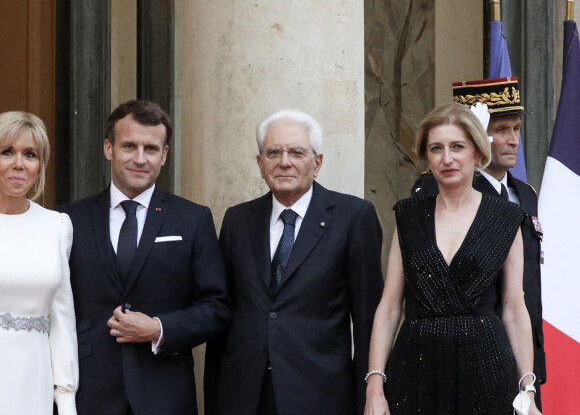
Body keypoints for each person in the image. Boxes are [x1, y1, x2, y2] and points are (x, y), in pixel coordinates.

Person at [204, 109, 384, 415]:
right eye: (273, 152)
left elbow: (368, 318)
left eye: (297, 152)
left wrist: (369, 394)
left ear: (317, 162)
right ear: (260, 163)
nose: (284, 161)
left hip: (321, 394)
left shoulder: (353, 217)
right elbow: (224, 314)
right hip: (245, 395)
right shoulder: (237, 220)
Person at [365, 103, 540, 415]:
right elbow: (390, 307)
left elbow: (514, 308)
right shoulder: (408, 217)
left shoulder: (507, 217)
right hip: (415, 367)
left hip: (487, 368)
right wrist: (375, 387)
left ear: (477, 151)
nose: (447, 158)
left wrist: (527, 388)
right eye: (436, 148)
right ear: (427, 157)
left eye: (457, 146)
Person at [59, 100, 230, 415]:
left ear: (164, 155)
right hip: (87, 393)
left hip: (164, 395)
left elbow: (216, 308)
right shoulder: (68, 221)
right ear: (109, 148)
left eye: (151, 149)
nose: (140, 159)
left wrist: (159, 328)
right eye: (129, 146)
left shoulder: (192, 219)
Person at [412, 77, 545, 407]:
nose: (513, 140)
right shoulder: (436, 190)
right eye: (501, 130)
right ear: (477, 137)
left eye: (516, 128)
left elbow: (526, 284)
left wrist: (532, 365)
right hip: (468, 352)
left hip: (519, 348)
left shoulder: (524, 195)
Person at [0, 111, 78, 414]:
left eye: (29, 154)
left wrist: (66, 396)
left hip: (35, 377)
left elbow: (62, 316)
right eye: (7, 152)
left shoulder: (57, 226)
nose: (19, 163)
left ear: (40, 165)